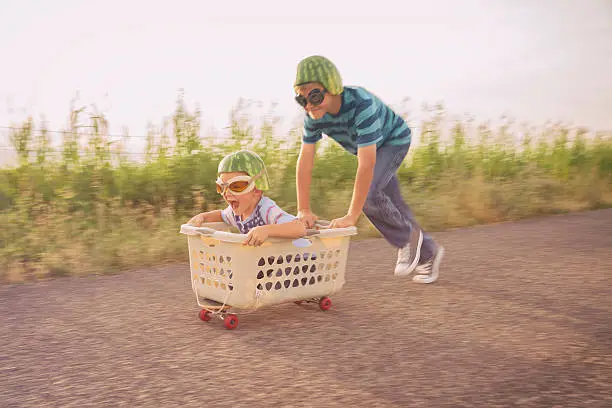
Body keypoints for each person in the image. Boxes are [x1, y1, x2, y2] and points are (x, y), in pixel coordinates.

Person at [293, 55, 443, 283]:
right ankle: (429, 252)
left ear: (332, 86)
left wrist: (352, 215)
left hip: (393, 141)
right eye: (302, 100)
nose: (309, 105)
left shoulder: (361, 103)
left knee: (370, 196)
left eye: (314, 95)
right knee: (393, 207)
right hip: (369, 149)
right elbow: (305, 161)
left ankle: (406, 241)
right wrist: (303, 208)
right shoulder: (313, 116)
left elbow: (367, 164)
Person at [188, 150, 306, 246]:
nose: (227, 193)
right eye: (221, 187)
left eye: (237, 186)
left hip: (298, 261)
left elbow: (299, 228)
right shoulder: (236, 213)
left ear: (257, 189)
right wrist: (203, 217)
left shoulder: (266, 209)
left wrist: (266, 230)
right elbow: (221, 216)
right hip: (273, 262)